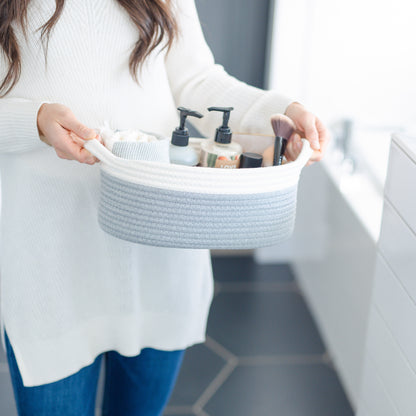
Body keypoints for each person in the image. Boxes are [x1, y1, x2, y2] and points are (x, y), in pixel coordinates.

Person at [0, 0, 330, 415]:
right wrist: (35, 120)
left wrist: (280, 111)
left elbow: (196, 80)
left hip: (158, 248)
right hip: (52, 258)